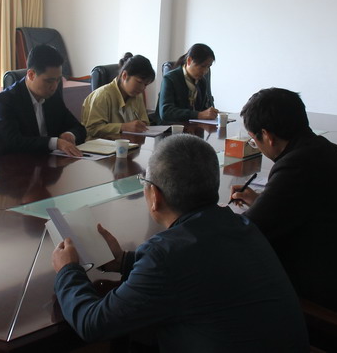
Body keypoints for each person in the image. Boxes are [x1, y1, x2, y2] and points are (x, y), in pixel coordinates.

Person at [52, 134, 308, 352]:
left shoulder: (165, 256)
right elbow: (194, 272)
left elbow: (93, 324)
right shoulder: (240, 225)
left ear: (155, 196)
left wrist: (67, 270)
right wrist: (123, 261)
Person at [230, 88, 337, 323]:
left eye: (255, 140)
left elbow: (248, 232)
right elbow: (295, 206)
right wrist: (261, 200)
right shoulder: (326, 149)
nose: (257, 145)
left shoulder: (296, 165)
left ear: (268, 135)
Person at [0, 44, 86, 157]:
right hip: (19, 163)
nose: (54, 86)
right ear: (31, 75)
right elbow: (13, 142)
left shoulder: (53, 96)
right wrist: (55, 143)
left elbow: (79, 128)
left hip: (51, 162)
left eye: (58, 80)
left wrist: (70, 134)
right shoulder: (7, 100)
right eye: (49, 81)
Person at [81, 53, 155, 139]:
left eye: (145, 84)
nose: (142, 88)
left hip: (129, 143)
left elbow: (144, 121)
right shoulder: (102, 95)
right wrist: (123, 127)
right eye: (139, 82)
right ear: (124, 75)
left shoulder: (137, 95)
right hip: (101, 145)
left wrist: (142, 125)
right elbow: (92, 129)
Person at [156, 43, 218, 124]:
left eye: (208, 67)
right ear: (189, 61)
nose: (205, 71)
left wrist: (210, 113)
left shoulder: (202, 82)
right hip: (170, 128)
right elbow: (166, 112)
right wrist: (198, 115)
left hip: (194, 127)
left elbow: (203, 110)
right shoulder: (170, 79)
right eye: (202, 66)